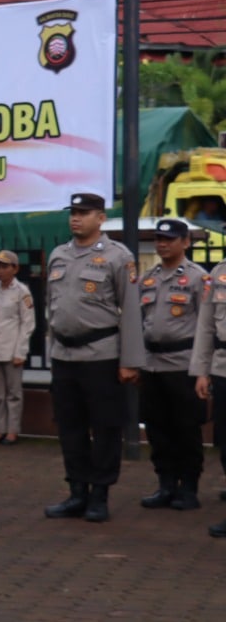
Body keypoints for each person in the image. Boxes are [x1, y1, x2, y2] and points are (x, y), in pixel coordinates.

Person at [43, 192, 144, 523]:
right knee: (69, 428)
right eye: (73, 212)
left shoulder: (118, 256)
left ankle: (99, 494)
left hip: (101, 355)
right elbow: (52, 308)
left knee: (105, 428)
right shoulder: (59, 255)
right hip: (64, 355)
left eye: (84, 213)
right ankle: (77, 492)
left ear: (101, 218)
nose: (76, 218)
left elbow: (130, 310)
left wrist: (129, 361)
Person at [135, 218, 206, 512]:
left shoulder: (198, 278)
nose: (162, 244)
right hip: (152, 365)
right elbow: (138, 322)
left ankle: (188, 487)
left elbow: (206, 327)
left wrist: (202, 370)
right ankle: (165, 484)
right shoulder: (147, 278)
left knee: (186, 429)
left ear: (185, 242)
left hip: (183, 365)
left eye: (169, 239)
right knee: (157, 428)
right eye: (159, 239)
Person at [0, 249, 35, 446]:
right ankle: (0, 429)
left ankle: (12, 430)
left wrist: (21, 351)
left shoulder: (22, 292)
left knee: (13, 394)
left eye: (5, 267)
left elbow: (28, 323)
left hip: (12, 349)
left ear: (15, 268)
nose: (0, 270)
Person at [191, 251, 226, 537]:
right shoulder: (218, 273)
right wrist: (201, 371)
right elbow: (205, 326)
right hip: (223, 368)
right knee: (225, 442)